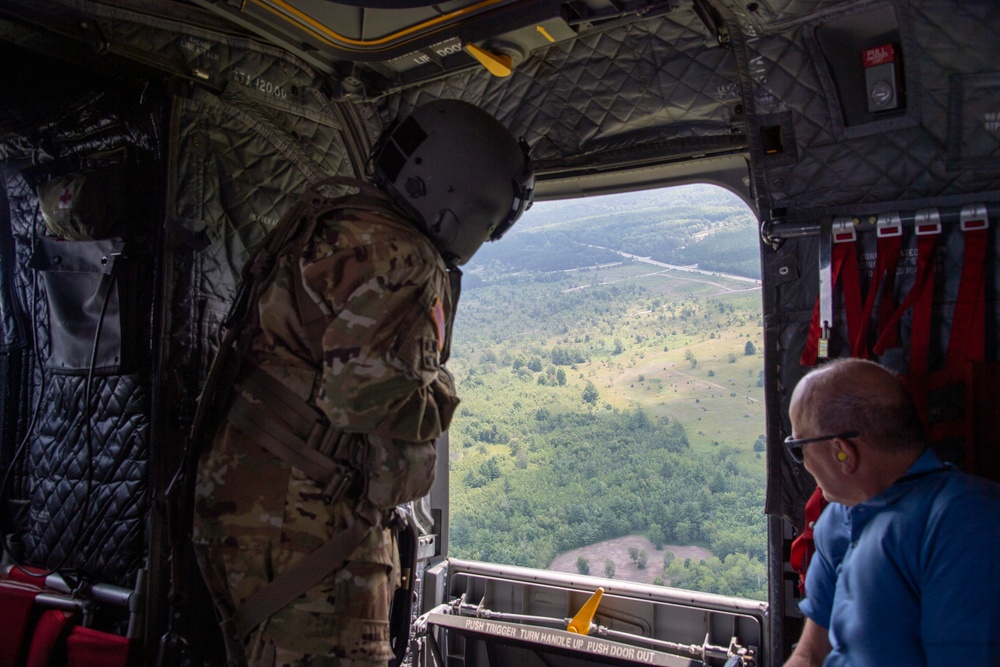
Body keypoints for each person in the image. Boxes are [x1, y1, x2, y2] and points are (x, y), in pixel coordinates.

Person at [191, 99, 534, 666]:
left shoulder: (330, 224)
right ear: (463, 200)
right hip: (305, 523)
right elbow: (368, 398)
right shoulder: (407, 258)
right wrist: (442, 392)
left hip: (242, 498)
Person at [782, 358, 1000, 667]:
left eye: (798, 447)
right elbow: (811, 654)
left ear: (842, 452)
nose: (802, 463)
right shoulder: (835, 522)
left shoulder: (965, 522)